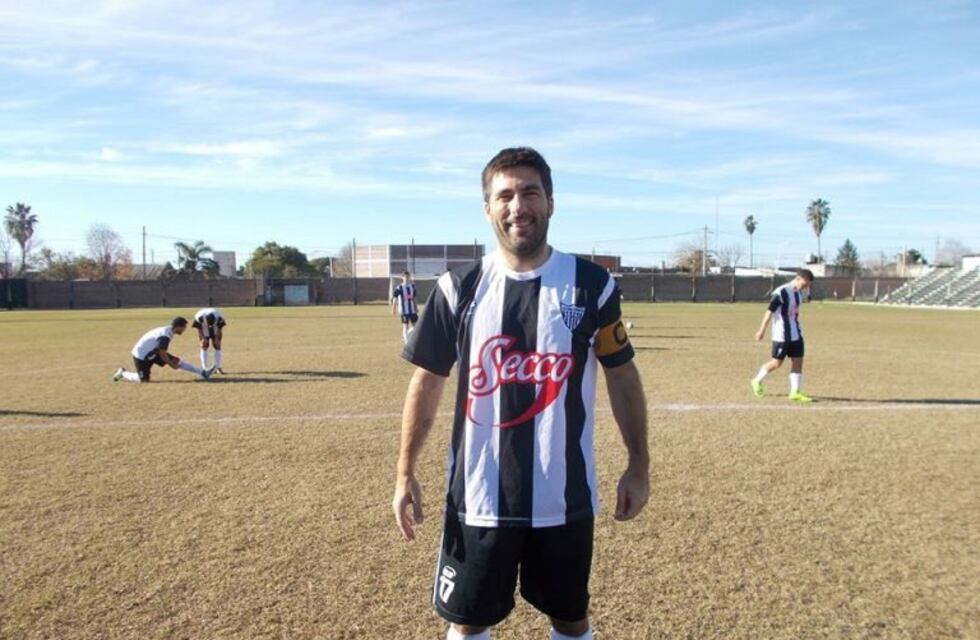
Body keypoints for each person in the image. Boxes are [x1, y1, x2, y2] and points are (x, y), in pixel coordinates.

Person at [392, 147, 650, 640]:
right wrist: (405, 471)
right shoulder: (456, 288)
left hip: (564, 497)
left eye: (530, 192)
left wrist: (638, 464)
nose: (518, 206)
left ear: (550, 202)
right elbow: (426, 381)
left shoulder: (591, 286)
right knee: (468, 622)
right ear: (487, 208)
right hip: (477, 497)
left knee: (570, 620)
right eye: (504, 195)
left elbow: (621, 375)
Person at [751, 269, 815, 402]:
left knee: (798, 361)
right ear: (798, 278)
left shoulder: (798, 294)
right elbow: (769, 311)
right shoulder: (781, 292)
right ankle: (756, 380)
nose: (805, 288)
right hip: (781, 335)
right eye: (804, 285)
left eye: (807, 286)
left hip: (796, 333)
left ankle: (795, 392)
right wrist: (761, 330)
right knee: (776, 363)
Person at [112, 317, 212, 383]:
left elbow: (160, 351)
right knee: (143, 380)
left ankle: (203, 373)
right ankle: (123, 373)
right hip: (141, 355)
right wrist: (171, 364)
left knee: (177, 361)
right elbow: (162, 352)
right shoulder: (165, 336)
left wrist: (173, 362)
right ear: (178, 327)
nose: (184, 330)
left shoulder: (168, 330)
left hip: (153, 351)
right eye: (184, 327)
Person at [193, 307, 227, 373]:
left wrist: (217, 338)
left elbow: (220, 328)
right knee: (204, 345)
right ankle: (205, 369)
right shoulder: (199, 317)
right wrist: (203, 338)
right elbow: (199, 328)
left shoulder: (219, 316)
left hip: (216, 327)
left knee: (217, 346)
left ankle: (218, 368)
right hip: (204, 327)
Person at [391, 272, 419, 344]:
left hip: (412, 310)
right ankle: (407, 343)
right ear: (402, 278)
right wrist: (393, 308)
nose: (407, 278)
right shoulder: (399, 287)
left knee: (415, 326)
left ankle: (411, 338)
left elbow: (414, 298)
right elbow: (395, 298)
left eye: (408, 277)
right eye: (405, 277)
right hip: (404, 311)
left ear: (409, 277)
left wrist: (416, 307)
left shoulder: (412, 287)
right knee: (405, 326)